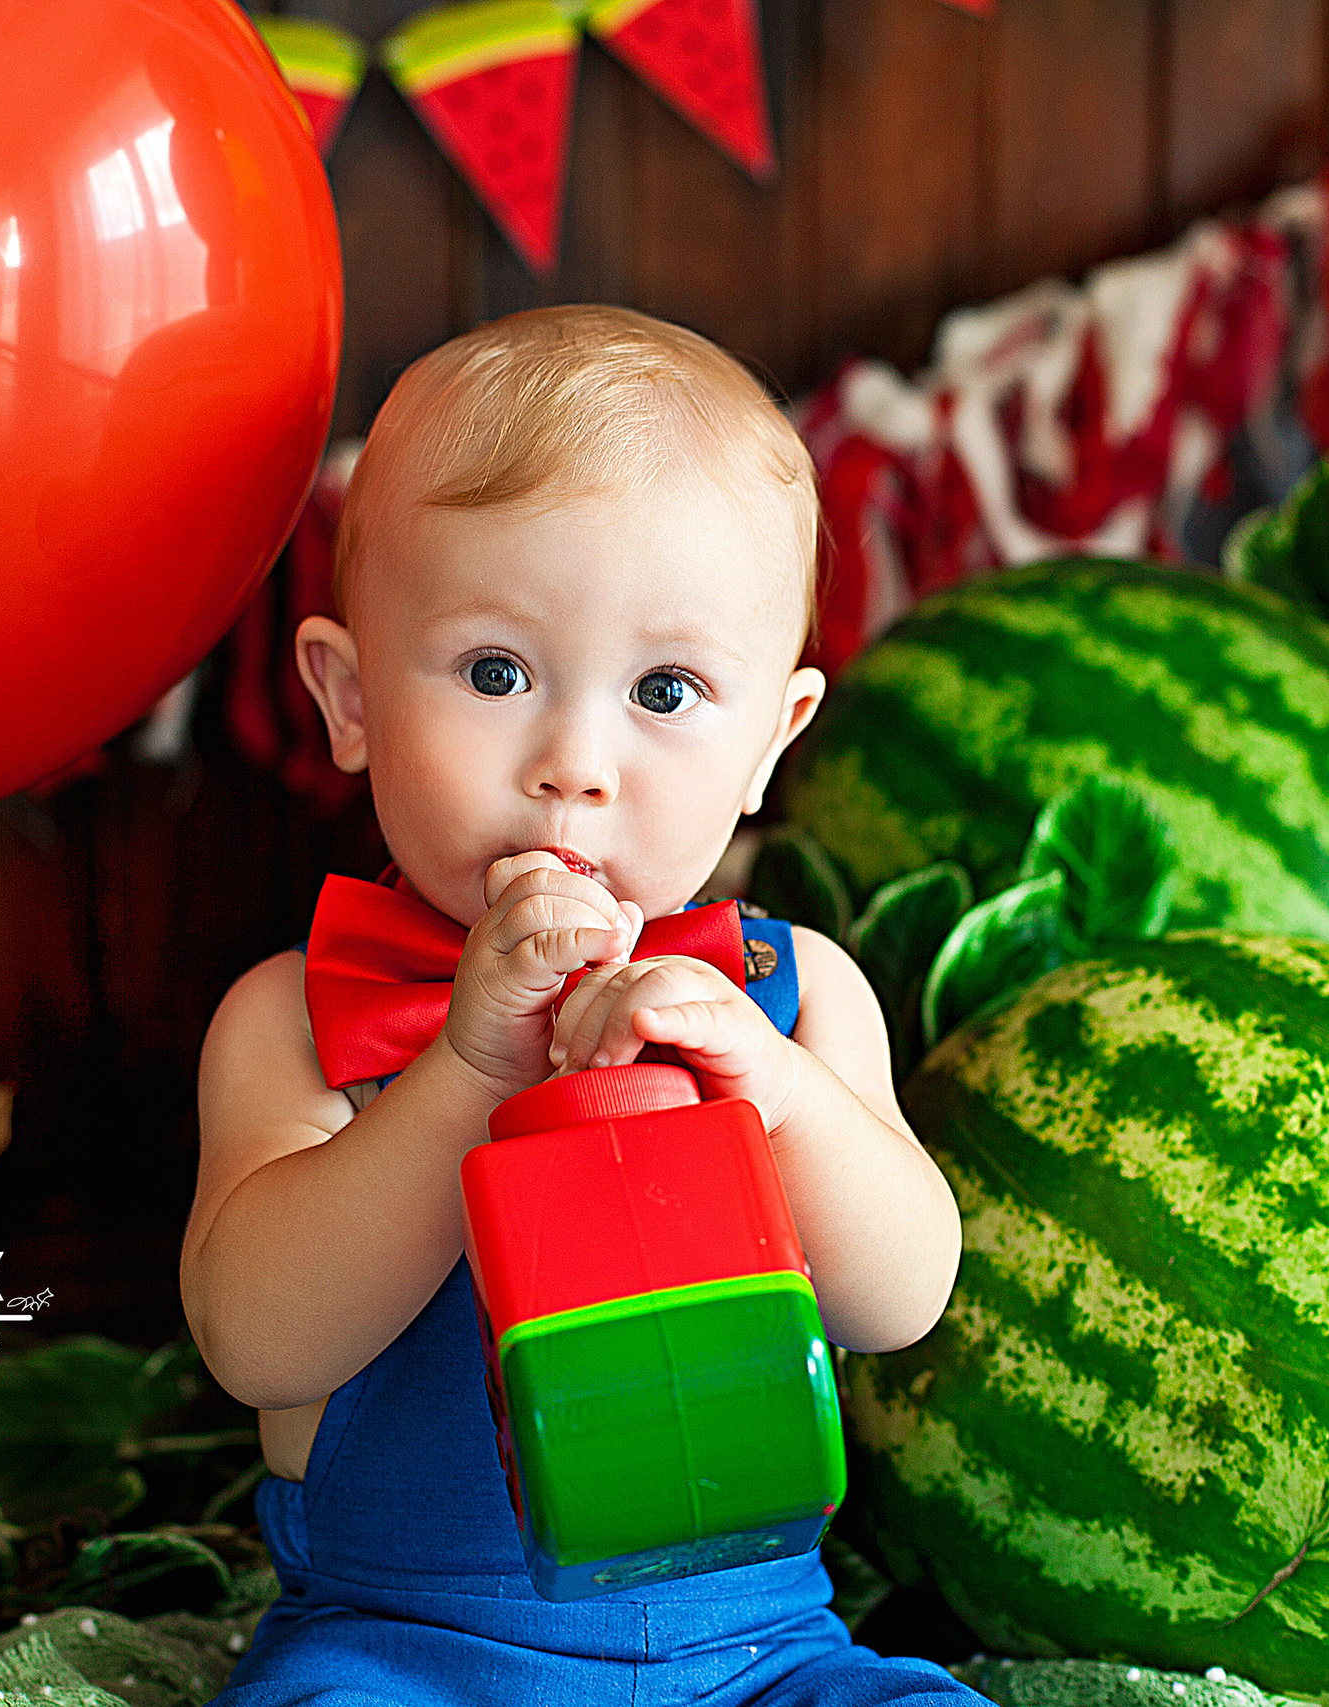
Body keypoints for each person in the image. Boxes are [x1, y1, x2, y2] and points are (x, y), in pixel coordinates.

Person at [182, 303, 978, 1705]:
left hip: (755, 1650)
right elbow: (256, 1340)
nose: (575, 762)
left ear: (770, 745)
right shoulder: (300, 1020)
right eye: (497, 674)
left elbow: (902, 1298)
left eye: (666, 689)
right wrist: (467, 1075)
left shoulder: (795, 1001)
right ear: (351, 699)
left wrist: (771, 1091)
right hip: (406, 1648)